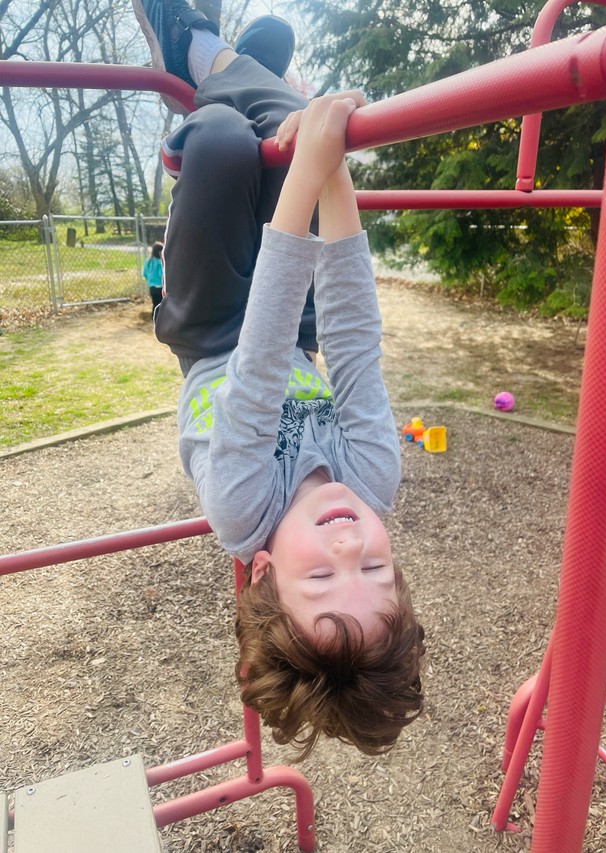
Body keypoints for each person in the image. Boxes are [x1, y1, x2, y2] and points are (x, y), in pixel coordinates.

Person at [133, 0, 425, 760]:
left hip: (213, 328)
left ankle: (202, 56)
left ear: (262, 570)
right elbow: (354, 346)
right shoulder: (372, 479)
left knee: (231, 142)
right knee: (295, 119)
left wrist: (308, 167)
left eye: (323, 579)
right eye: (374, 565)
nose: (347, 542)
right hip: (289, 328)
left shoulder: (240, 507)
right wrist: (333, 171)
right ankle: (227, 60)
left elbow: (258, 363)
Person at [142, 240, 164, 313]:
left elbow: (144, 273)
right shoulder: (160, 262)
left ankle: (154, 318)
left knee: (155, 304)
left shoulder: (147, 261)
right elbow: (161, 274)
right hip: (160, 287)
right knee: (161, 304)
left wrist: (150, 280)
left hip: (151, 286)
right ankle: (160, 320)